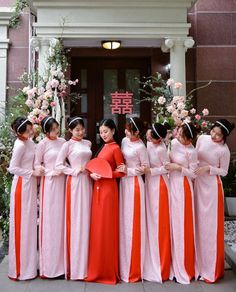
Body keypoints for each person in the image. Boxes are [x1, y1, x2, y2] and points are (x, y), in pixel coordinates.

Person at [194, 119, 235, 283]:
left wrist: (208, 168)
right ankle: (195, 264)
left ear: (224, 136)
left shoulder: (224, 150)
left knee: (209, 227)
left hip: (211, 187)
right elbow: (194, 155)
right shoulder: (202, 139)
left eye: (218, 135)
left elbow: (224, 172)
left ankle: (209, 268)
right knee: (196, 222)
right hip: (197, 182)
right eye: (213, 131)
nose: (214, 136)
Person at [86, 119, 126, 284]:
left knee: (106, 228)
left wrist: (107, 174)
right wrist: (92, 174)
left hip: (109, 191)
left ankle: (107, 270)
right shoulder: (103, 147)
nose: (103, 135)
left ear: (113, 131)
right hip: (98, 189)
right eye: (101, 132)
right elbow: (94, 166)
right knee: (97, 228)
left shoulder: (116, 148)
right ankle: (97, 267)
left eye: (106, 131)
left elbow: (122, 172)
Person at [56, 117, 92, 280]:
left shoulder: (88, 143)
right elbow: (59, 165)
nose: (80, 132)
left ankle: (88, 263)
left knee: (88, 218)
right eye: (77, 129)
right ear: (70, 130)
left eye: (82, 129)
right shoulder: (67, 145)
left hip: (88, 182)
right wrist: (74, 170)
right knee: (77, 219)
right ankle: (76, 267)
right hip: (75, 182)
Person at [8, 117, 44, 280]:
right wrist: (32, 173)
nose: (31, 131)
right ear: (19, 132)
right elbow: (13, 168)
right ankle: (20, 270)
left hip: (29, 186)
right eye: (28, 130)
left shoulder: (29, 142)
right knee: (22, 226)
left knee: (29, 226)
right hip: (21, 187)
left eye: (31, 128)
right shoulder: (20, 145)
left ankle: (29, 268)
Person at [165, 122, 198, 284]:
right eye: (178, 133)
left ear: (189, 138)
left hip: (183, 188)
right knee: (170, 224)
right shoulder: (173, 143)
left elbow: (193, 174)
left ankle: (184, 266)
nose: (178, 136)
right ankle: (170, 264)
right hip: (170, 185)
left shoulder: (192, 151)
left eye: (182, 136)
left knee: (181, 226)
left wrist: (178, 167)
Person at [35, 116, 66, 278]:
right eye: (53, 129)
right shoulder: (42, 144)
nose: (57, 131)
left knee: (62, 221)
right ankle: (49, 266)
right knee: (50, 222)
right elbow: (37, 165)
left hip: (63, 183)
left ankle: (63, 264)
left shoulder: (62, 142)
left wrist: (66, 169)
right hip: (50, 184)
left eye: (57, 128)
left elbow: (66, 160)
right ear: (46, 131)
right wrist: (49, 172)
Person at [119, 117, 149, 282]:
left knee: (133, 222)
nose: (125, 132)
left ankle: (134, 265)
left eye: (128, 130)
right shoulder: (124, 141)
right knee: (124, 221)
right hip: (124, 183)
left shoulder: (141, 147)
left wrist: (128, 171)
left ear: (136, 132)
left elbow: (144, 168)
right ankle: (123, 261)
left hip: (135, 185)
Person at [143, 123, 171, 283]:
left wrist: (151, 171)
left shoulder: (161, 149)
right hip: (149, 183)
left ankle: (161, 261)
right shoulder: (147, 143)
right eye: (148, 133)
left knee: (158, 221)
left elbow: (166, 168)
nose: (147, 136)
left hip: (159, 184)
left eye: (150, 135)